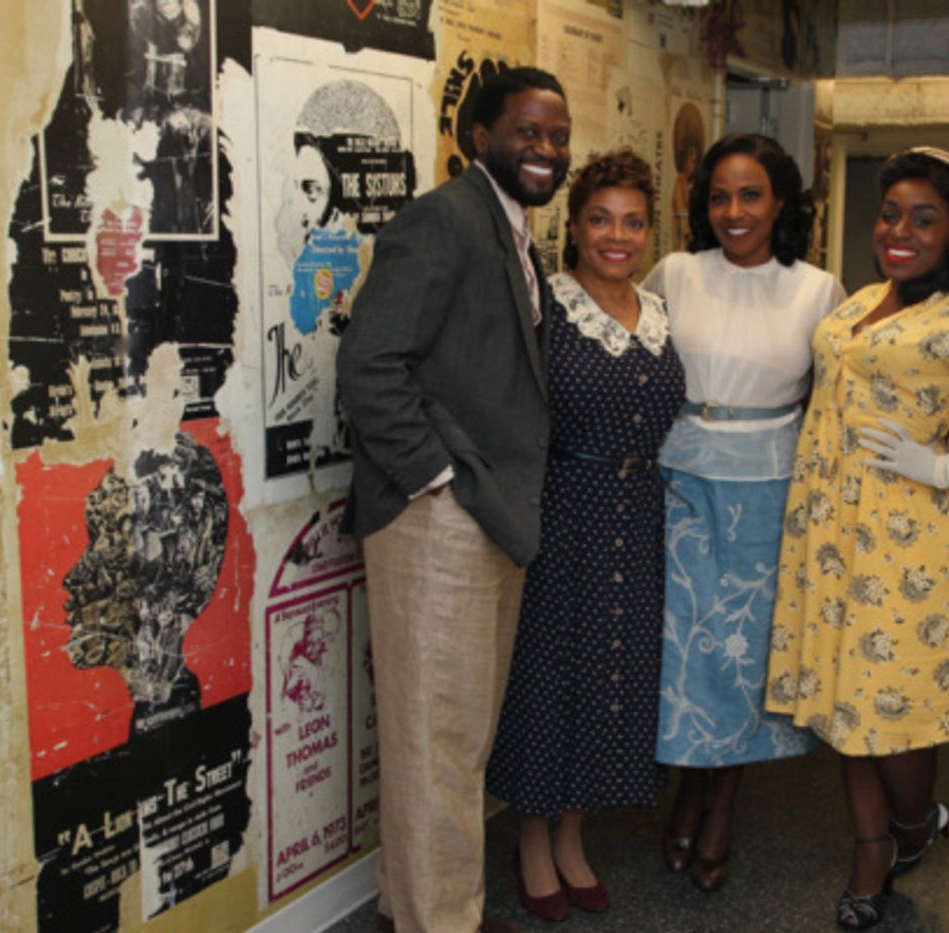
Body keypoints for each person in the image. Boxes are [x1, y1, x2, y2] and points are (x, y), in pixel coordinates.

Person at [764, 147, 949, 930]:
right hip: (832, 526)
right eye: (890, 213)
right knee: (849, 706)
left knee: (897, 712)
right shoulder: (862, 300)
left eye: (923, 218)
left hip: (913, 539)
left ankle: (916, 823)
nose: (899, 229)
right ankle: (870, 851)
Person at [336, 66, 571, 933]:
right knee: (439, 743)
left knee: (447, 741)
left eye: (557, 134)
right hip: (440, 521)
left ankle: (423, 908)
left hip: (486, 519)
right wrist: (441, 481)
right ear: (479, 136)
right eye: (527, 132)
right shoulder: (442, 221)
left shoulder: (508, 227)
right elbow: (369, 368)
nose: (546, 149)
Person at [485, 150, 685, 922]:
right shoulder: (547, 305)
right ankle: (532, 838)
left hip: (640, 516)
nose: (618, 235)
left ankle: (574, 834)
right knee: (549, 680)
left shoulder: (657, 308)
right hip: (562, 511)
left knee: (613, 681)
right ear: (574, 225)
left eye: (633, 221)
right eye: (601, 218)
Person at [644, 133, 845, 891]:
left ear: (782, 203)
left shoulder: (818, 289)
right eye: (719, 196)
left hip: (770, 488)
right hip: (678, 482)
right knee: (684, 657)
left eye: (751, 194)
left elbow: (837, 402)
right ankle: (692, 784)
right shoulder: (675, 273)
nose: (733, 211)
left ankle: (717, 800)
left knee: (741, 659)